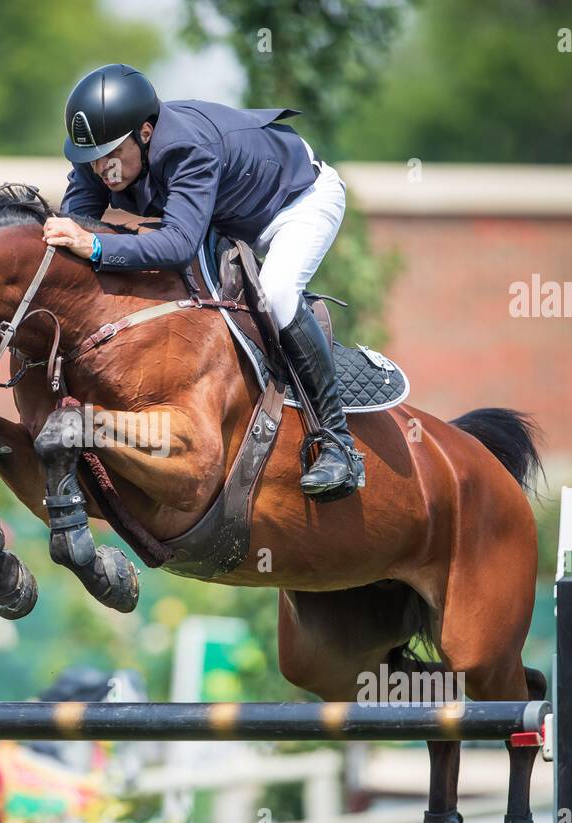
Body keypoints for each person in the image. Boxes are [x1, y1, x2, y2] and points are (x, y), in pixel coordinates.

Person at [47, 64, 364, 501]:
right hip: (230, 215)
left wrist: (97, 249)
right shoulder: (100, 154)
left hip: (297, 203)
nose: (102, 168)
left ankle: (338, 443)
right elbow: (76, 226)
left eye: (111, 154)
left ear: (145, 131)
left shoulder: (187, 148)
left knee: (277, 291)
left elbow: (176, 244)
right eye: (91, 158)